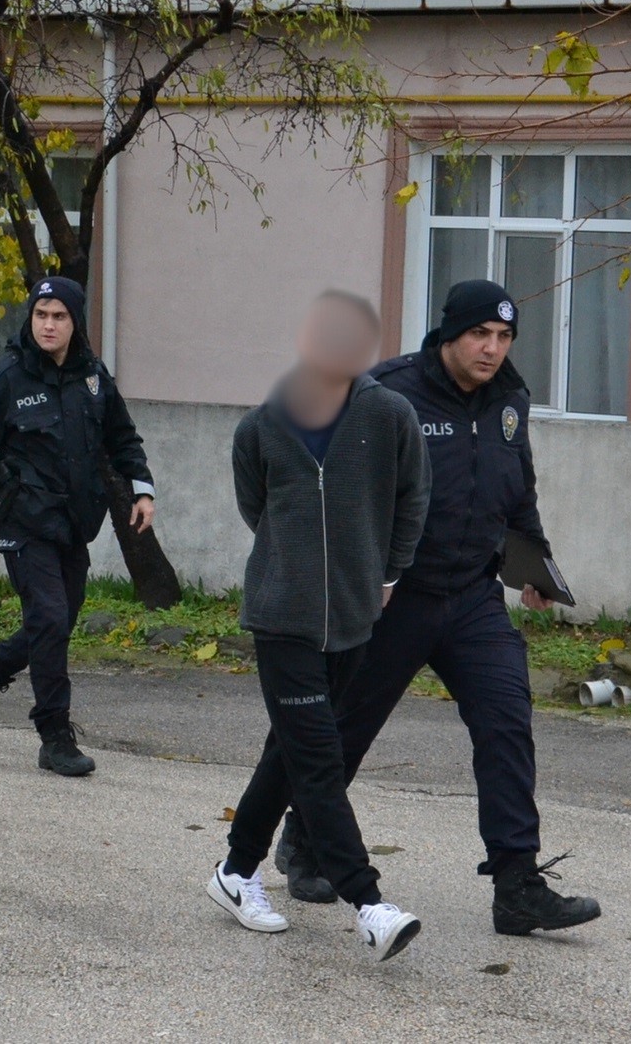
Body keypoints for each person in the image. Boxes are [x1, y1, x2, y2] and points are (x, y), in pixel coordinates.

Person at [276, 280, 603, 937]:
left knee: (507, 719)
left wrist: (532, 561)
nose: (492, 347)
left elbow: (518, 488)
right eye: (481, 334)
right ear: (449, 332)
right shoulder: (387, 390)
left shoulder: (510, 397)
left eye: (504, 336)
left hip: (474, 596)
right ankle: (305, 839)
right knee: (348, 726)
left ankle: (517, 883)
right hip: (392, 597)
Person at [208, 291, 431, 962]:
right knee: (317, 759)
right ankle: (370, 904)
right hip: (282, 616)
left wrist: (385, 573)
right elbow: (258, 506)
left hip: (357, 618)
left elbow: (413, 497)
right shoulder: (261, 426)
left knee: (291, 751)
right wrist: (295, 565)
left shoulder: (390, 416)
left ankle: (234, 872)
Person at [0, 276, 155, 777]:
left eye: (59, 316)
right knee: (50, 620)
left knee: (55, 622)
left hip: (74, 523)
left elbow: (123, 437)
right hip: (24, 520)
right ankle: (54, 736)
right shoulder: (8, 376)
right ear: (31, 319)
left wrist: (142, 488)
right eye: (41, 315)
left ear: (75, 322)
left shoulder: (93, 377)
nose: (48, 325)